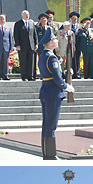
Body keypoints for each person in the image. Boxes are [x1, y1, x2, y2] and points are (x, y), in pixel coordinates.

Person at [38, 28, 73, 160]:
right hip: (53, 93)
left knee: (46, 124)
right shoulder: (51, 58)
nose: (57, 40)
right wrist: (66, 87)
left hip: (45, 91)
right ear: (50, 42)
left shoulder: (43, 56)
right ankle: (51, 155)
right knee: (51, 125)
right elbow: (57, 79)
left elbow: (52, 74)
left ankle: (46, 153)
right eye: (54, 39)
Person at [13, 10, 38, 81]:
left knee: (31, 61)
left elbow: (34, 34)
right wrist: (17, 45)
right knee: (23, 61)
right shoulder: (18, 24)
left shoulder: (31, 23)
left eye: (28, 14)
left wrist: (36, 44)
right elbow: (16, 35)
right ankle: (24, 76)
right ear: (22, 15)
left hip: (31, 45)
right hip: (22, 46)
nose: (27, 16)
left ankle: (31, 76)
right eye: (25, 14)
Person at [0, 13, 14, 81]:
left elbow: (10, 38)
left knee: (5, 62)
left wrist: (11, 47)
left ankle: (5, 75)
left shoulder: (8, 28)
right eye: (1, 19)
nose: (2, 20)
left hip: (6, 47)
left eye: (3, 19)